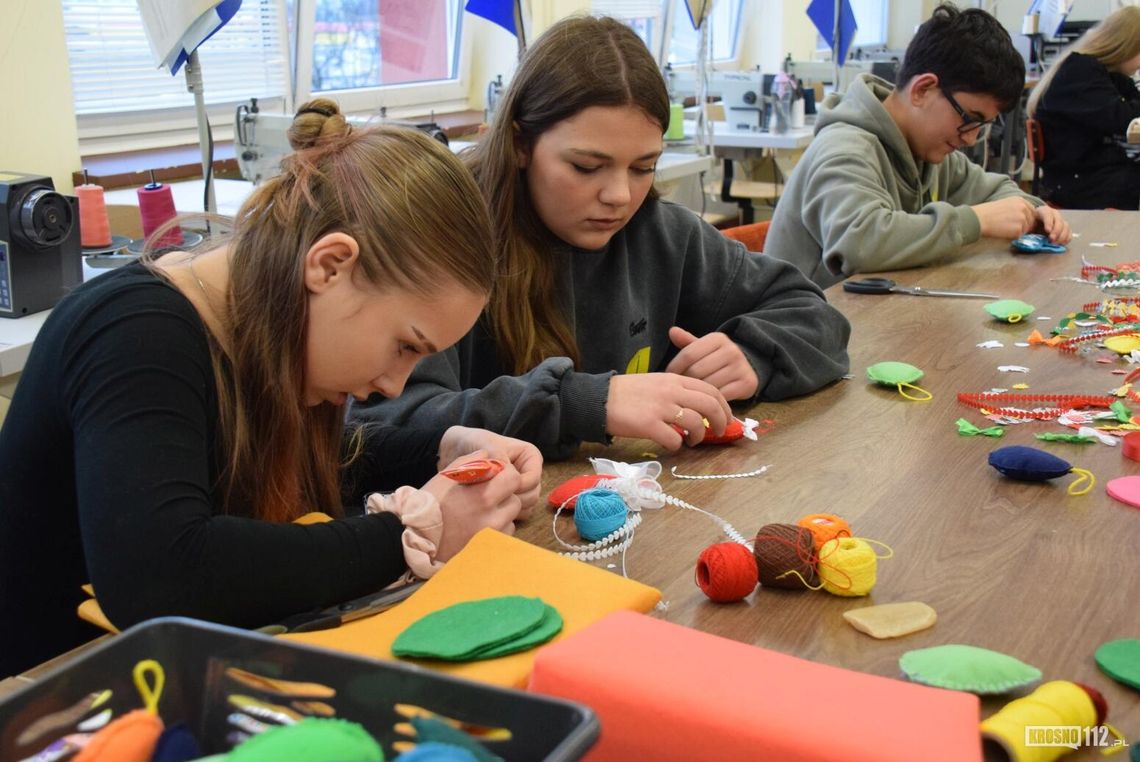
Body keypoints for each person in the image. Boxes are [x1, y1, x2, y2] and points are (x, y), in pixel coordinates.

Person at [0, 100, 542, 676]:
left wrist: (440, 448)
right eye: (405, 345)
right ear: (330, 265)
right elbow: (161, 575)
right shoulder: (135, 336)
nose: (393, 383)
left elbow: (322, 456)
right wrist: (412, 532)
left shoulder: (264, 323)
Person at [351, 15, 851, 461]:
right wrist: (588, 403)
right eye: (586, 166)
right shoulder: (442, 242)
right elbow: (378, 430)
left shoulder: (661, 233)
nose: (619, 196)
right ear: (521, 143)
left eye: (644, 168)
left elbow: (815, 316)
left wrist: (754, 354)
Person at [765, 3, 1072, 289]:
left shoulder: (928, 150)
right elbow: (861, 243)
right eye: (970, 118)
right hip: (805, 335)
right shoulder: (844, 149)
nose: (970, 138)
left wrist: (1036, 210)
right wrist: (976, 221)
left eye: (982, 126)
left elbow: (994, 191)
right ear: (923, 89)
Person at [1027, 6, 1140, 210]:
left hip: (1091, 172)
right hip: (1080, 181)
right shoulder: (1080, 71)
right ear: (1128, 46)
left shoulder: (1106, 73)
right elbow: (1127, 120)